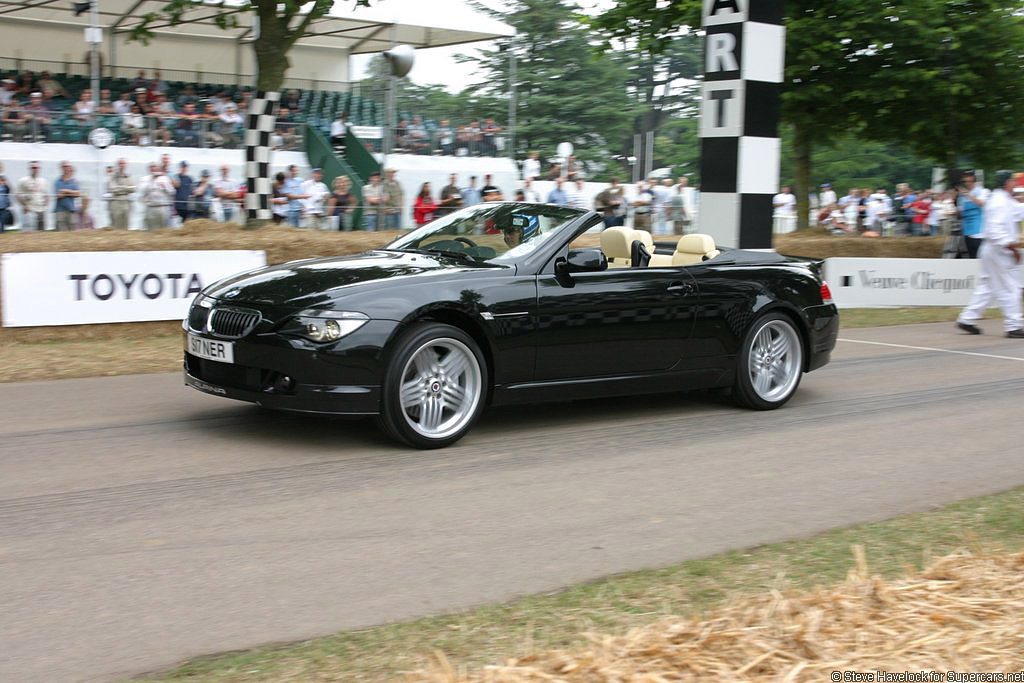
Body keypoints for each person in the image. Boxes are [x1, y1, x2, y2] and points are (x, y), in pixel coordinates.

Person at [956, 171, 1024, 338]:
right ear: (1007, 182)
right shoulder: (1000, 202)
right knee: (1010, 287)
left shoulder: (1003, 199)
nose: (1015, 184)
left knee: (987, 287)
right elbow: (995, 230)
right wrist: (1012, 247)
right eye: (1013, 181)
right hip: (998, 250)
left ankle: (967, 319)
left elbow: (1019, 211)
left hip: (992, 249)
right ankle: (1014, 326)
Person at [958, 172, 989, 258]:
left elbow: (981, 203)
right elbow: (960, 213)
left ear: (973, 180)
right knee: (972, 258)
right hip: (967, 232)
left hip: (979, 232)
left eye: (969, 180)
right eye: (964, 181)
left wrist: (967, 194)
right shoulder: (961, 196)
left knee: (981, 258)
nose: (967, 183)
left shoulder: (983, 191)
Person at [138, 163, 174, 229]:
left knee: (162, 229)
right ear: (149, 169)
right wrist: (152, 180)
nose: (153, 169)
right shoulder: (144, 179)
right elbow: (141, 191)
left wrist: (165, 187)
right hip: (150, 207)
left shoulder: (165, 178)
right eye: (151, 167)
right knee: (149, 229)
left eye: (155, 167)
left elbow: (172, 192)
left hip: (162, 207)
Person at [16, 161, 47, 231]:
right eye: (33, 167)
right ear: (29, 168)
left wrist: (45, 206)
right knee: (29, 233)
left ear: (39, 169)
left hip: (41, 210)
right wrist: (24, 206)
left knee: (42, 233)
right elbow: (17, 195)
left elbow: (46, 195)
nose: (35, 169)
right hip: (29, 210)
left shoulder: (43, 181)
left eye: (37, 168)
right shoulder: (23, 180)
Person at [108, 158, 135, 229]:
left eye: (123, 163)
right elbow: (113, 189)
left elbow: (133, 188)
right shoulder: (113, 176)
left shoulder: (128, 176)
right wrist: (126, 188)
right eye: (120, 163)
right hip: (116, 201)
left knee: (126, 224)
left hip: (126, 202)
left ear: (126, 165)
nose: (122, 165)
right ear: (117, 165)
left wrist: (120, 188)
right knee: (116, 224)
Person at [53, 161, 80, 231]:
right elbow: (59, 195)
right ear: (61, 168)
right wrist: (72, 193)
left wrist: (65, 191)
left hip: (71, 210)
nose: (66, 168)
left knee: (72, 232)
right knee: (61, 233)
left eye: (68, 166)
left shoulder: (74, 181)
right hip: (60, 210)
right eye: (64, 166)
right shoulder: (57, 181)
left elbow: (78, 194)